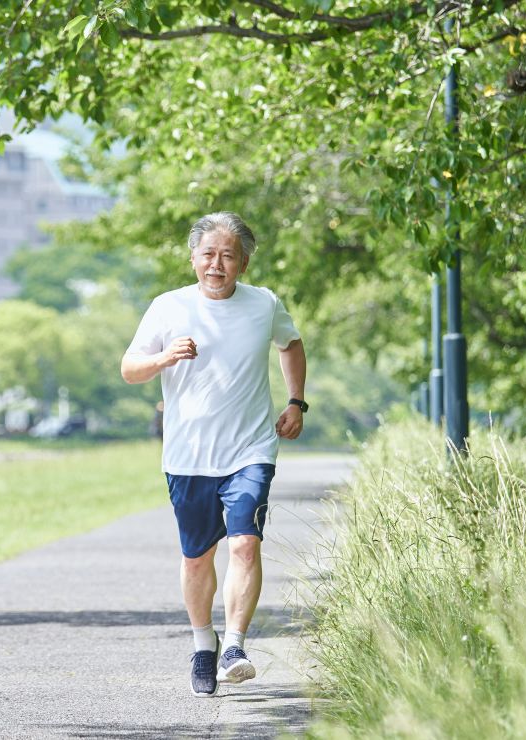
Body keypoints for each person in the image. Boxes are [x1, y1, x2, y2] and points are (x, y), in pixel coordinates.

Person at [120, 212, 307, 697]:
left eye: (227, 256)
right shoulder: (167, 307)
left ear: (243, 262)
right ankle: (204, 642)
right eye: (208, 254)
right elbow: (129, 369)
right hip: (188, 457)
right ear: (193, 258)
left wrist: (295, 400)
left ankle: (235, 647)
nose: (216, 265)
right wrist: (164, 358)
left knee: (245, 543)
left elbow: (291, 344)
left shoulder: (264, 304)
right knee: (198, 558)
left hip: (250, 448)